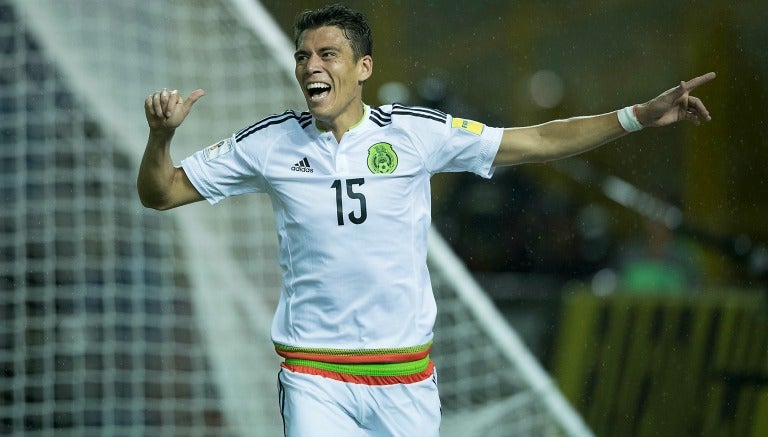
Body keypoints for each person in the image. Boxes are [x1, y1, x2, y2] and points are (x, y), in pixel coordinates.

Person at [137, 4, 715, 436]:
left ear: (362, 67)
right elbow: (160, 193)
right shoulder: (269, 142)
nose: (311, 67)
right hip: (315, 376)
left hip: (406, 380)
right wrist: (161, 139)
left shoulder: (414, 132)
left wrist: (637, 116)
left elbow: (534, 139)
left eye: (327, 55)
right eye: (303, 57)